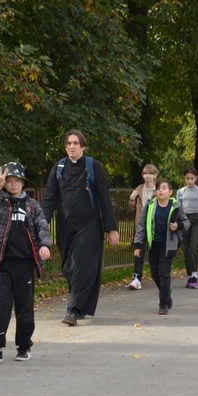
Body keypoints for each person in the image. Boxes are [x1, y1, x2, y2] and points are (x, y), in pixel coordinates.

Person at [40, 129, 119, 326]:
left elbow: (104, 199)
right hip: (66, 226)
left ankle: (73, 310)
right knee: (69, 267)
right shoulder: (58, 168)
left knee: (83, 266)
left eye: (75, 143)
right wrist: (40, 225)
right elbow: (49, 200)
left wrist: (112, 228)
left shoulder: (93, 166)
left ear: (83, 146)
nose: (72, 147)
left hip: (89, 225)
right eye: (68, 143)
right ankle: (81, 304)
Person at [0, 162, 52, 363]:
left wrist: (45, 245)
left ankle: (24, 345)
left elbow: (43, 227)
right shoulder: (1, 204)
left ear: (23, 183)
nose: (12, 184)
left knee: (24, 307)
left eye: (16, 181)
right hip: (3, 265)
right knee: (0, 305)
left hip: (25, 265)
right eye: (9, 181)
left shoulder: (32, 205)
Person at [133, 179, 189, 315]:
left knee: (164, 274)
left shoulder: (175, 206)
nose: (160, 190)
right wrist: (138, 245)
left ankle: (163, 304)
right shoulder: (150, 205)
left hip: (168, 245)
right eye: (158, 188)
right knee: (154, 273)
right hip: (154, 245)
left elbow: (186, 222)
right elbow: (141, 226)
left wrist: (178, 226)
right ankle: (167, 294)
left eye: (164, 188)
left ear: (170, 192)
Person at [178, 167, 198, 289]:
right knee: (186, 249)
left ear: (196, 178)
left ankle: (195, 274)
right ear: (184, 178)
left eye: (192, 178)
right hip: (185, 221)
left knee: (194, 247)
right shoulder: (181, 192)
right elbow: (179, 209)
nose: (190, 181)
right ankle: (190, 274)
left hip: (197, 221)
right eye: (187, 178)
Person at [127, 164, 158, 290]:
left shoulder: (159, 190)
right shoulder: (139, 189)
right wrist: (132, 198)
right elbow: (131, 208)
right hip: (141, 224)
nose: (147, 176)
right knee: (138, 251)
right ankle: (137, 278)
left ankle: (157, 274)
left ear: (155, 175)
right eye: (145, 174)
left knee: (154, 252)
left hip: (155, 225)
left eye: (150, 173)